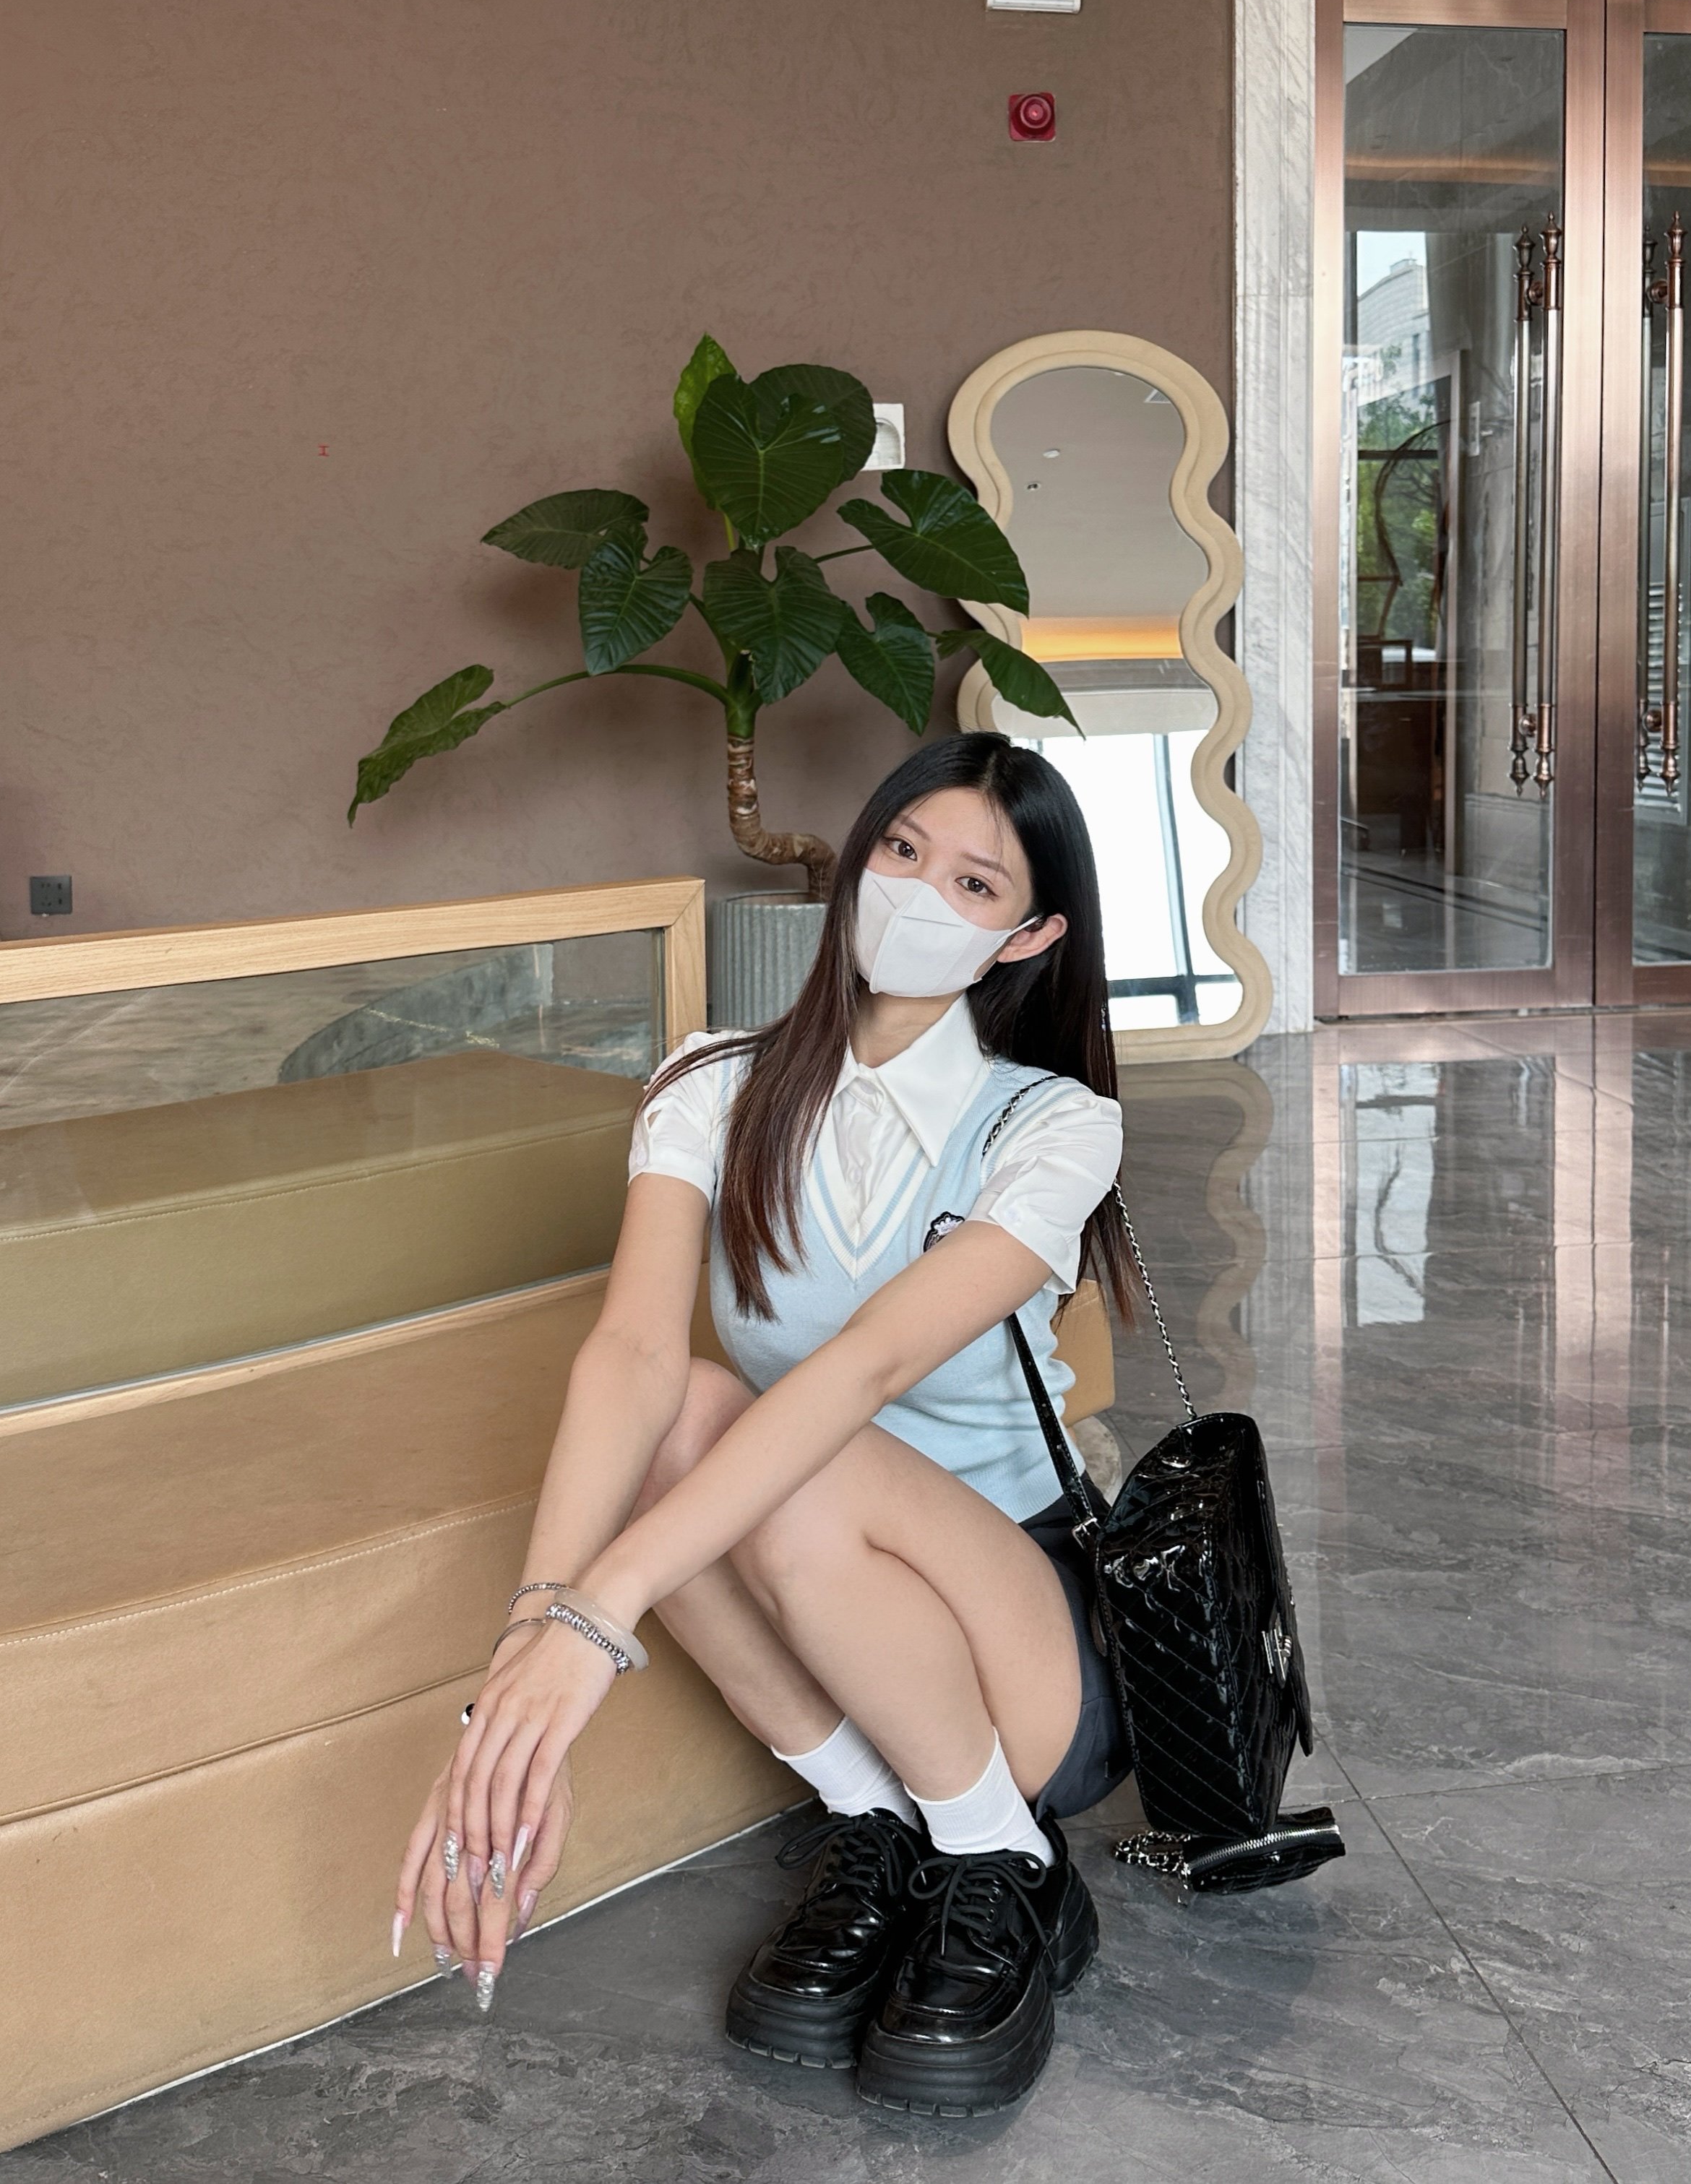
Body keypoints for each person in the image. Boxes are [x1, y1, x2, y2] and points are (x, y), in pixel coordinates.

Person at [392, 732, 1135, 2118]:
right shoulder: (712, 1081)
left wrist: (600, 1623)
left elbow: (864, 1368)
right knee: (682, 1405)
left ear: (1029, 936)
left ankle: (1003, 1858)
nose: (914, 893)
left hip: (1021, 1649)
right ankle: (874, 1818)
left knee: (797, 1450)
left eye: (974, 885)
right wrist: (529, 1647)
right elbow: (629, 1352)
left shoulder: (1051, 1124)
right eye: (901, 850)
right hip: (823, 1603)